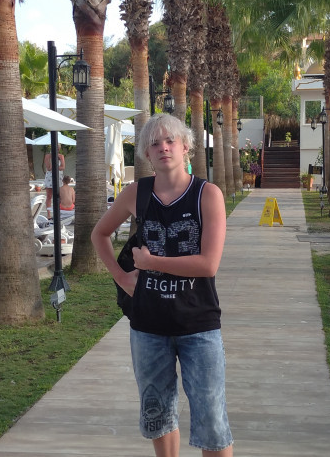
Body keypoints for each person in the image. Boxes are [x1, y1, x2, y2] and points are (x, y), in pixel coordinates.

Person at [91, 114, 233, 457]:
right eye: (154, 144)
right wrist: (122, 277)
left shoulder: (207, 195)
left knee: (212, 420)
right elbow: (100, 234)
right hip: (148, 326)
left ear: (186, 147)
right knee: (158, 414)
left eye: (170, 141)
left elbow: (208, 264)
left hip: (198, 324)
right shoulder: (136, 194)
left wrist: (152, 263)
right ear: (146, 154)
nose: (163, 148)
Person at [43, 146, 65, 220]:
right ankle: (49, 214)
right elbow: (49, 168)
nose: (57, 149)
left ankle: (58, 213)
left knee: (59, 196)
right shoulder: (48, 156)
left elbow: (63, 167)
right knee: (49, 196)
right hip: (50, 177)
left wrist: (56, 165)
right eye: (56, 148)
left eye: (58, 148)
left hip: (58, 177)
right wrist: (52, 159)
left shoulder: (61, 156)